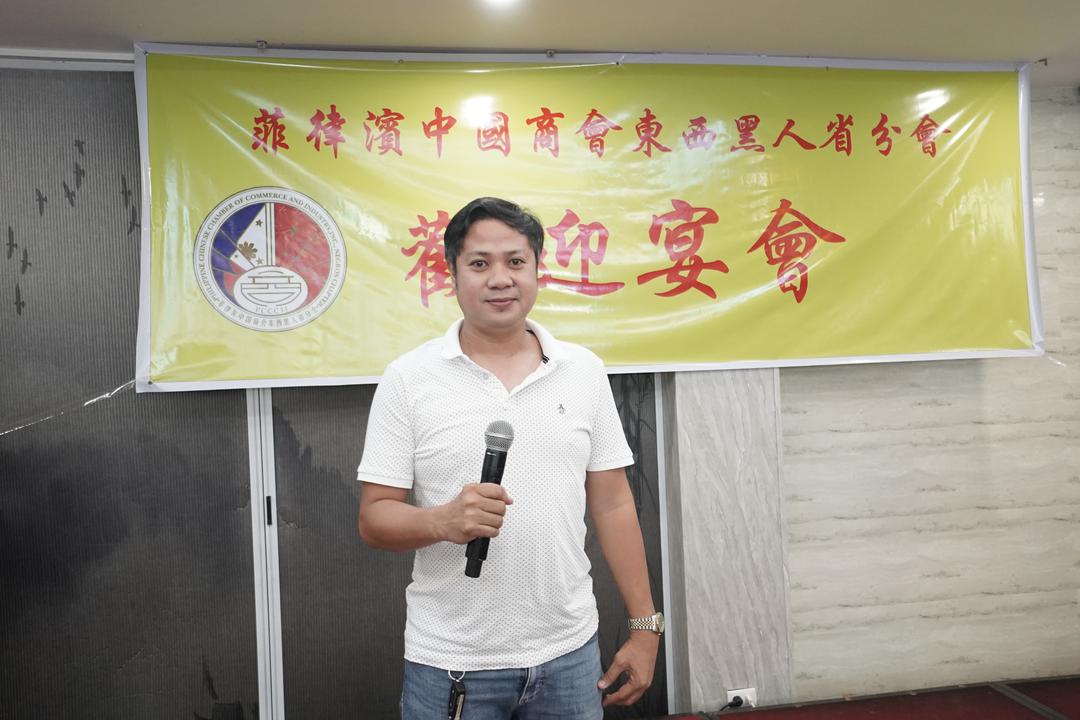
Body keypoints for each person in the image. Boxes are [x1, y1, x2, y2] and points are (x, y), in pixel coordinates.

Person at [357, 197, 662, 719]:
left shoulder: (583, 371)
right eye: (480, 263)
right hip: (451, 660)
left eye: (515, 262)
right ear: (453, 273)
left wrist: (644, 628)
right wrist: (442, 521)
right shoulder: (408, 379)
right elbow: (374, 518)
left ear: (537, 269)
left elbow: (613, 504)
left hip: (569, 654)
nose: (500, 278)